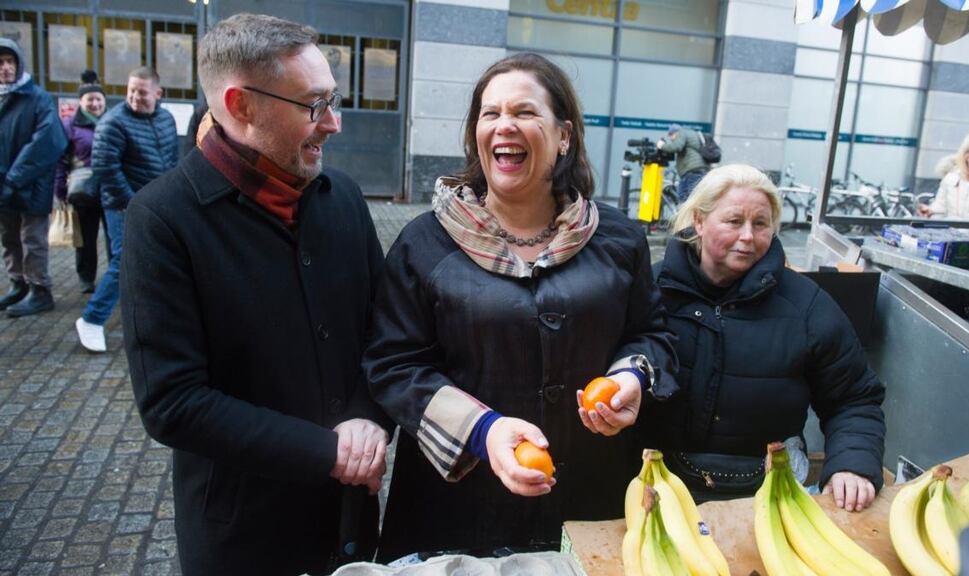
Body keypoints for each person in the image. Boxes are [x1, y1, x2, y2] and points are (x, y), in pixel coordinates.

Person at [363, 52, 677, 562]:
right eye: (490, 114)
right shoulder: (425, 244)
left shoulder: (618, 238)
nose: (505, 125)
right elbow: (392, 367)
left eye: (525, 112)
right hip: (456, 508)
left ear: (564, 136)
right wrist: (484, 431)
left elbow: (653, 335)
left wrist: (631, 378)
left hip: (591, 499)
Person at [121, 13, 390, 575]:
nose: (334, 123)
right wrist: (327, 451)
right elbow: (173, 403)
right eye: (314, 105)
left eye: (333, 99)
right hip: (243, 534)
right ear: (242, 105)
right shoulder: (161, 219)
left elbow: (382, 332)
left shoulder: (342, 197)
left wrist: (367, 418)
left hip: (348, 520)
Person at [650, 164, 886, 510]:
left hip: (772, 489)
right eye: (734, 221)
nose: (748, 236)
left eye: (760, 224)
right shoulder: (650, 291)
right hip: (657, 484)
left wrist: (852, 464)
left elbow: (853, 398)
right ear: (699, 221)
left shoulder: (807, 306)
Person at [74, 66, 178, 352]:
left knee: (153, 263)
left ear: (158, 93)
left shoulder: (167, 120)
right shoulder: (113, 122)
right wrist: (134, 203)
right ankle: (92, 319)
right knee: (124, 262)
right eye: (131, 90)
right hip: (122, 206)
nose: (135, 97)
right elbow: (106, 168)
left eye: (142, 92)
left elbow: (170, 162)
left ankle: (152, 320)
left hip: (156, 205)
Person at [0, 38, 67, 317]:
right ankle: (19, 283)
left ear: (18, 64)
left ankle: (40, 289)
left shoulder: (37, 98)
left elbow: (48, 141)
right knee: (9, 238)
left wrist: (14, 177)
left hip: (30, 185)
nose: (5, 68)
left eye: (9, 62)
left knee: (33, 239)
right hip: (5, 186)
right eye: (0, 64)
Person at [54, 70, 110, 294]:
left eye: (98, 99)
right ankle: (86, 277)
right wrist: (59, 189)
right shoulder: (70, 126)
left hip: (108, 188)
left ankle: (115, 277)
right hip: (82, 190)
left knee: (114, 237)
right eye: (90, 99)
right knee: (85, 238)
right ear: (81, 102)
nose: (95, 103)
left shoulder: (112, 121)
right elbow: (60, 159)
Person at [658, 123, 710, 204]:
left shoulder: (682, 133)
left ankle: (687, 216)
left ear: (674, 132)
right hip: (697, 170)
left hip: (692, 172)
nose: (671, 139)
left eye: (671, 135)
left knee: (685, 200)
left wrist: (662, 146)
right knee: (690, 199)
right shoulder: (691, 133)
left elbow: (676, 147)